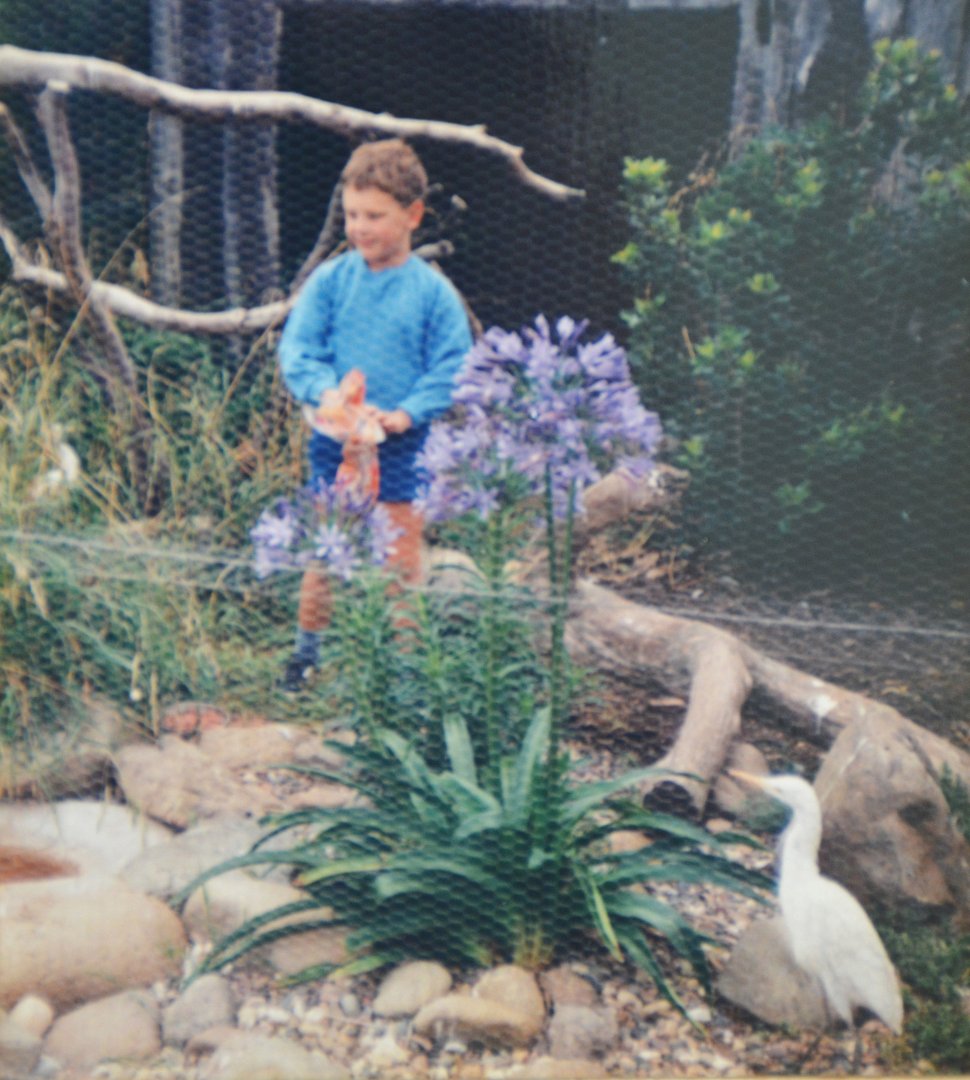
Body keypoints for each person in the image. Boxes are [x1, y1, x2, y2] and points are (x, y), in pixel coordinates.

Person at [278, 138, 474, 690]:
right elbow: (298, 350)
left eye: (374, 216)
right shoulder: (331, 282)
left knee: (400, 557)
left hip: (403, 447)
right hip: (335, 442)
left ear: (413, 216)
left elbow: (453, 367)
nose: (359, 228)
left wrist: (408, 414)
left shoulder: (432, 293)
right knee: (326, 550)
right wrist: (328, 396)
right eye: (352, 214)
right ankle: (306, 655)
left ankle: (405, 668)